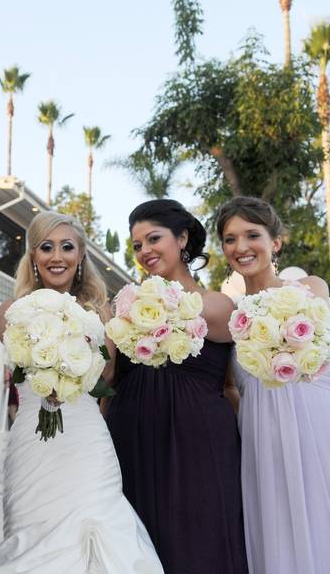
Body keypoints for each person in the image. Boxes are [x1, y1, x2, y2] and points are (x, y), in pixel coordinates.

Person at [216, 196, 330, 574]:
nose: (241, 247)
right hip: (263, 438)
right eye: (230, 239)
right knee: (279, 525)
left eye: (252, 235)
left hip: (317, 426)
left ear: (275, 242)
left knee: (328, 514)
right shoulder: (230, 315)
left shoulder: (310, 288)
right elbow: (230, 387)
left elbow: (318, 356)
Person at [0, 211, 164, 573]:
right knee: (33, 535)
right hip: (34, 441)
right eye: (46, 247)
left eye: (67, 247)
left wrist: (70, 376)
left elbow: (106, 375)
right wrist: (47, 379)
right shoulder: (11, 312)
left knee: (99, 523)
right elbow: (21, 364)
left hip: (85, 440)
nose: (57, 256)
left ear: (80, 255)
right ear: (32, 255)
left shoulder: (104, 312)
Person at [106, 199, 248, 573]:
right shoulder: (124, 307)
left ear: (182, 238)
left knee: (199, 536)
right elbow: (109, 377)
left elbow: (231, 383)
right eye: (137, 246)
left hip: (196, 439)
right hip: (132, 434)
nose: (145, 252)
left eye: (154, 239)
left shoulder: (218, 306)